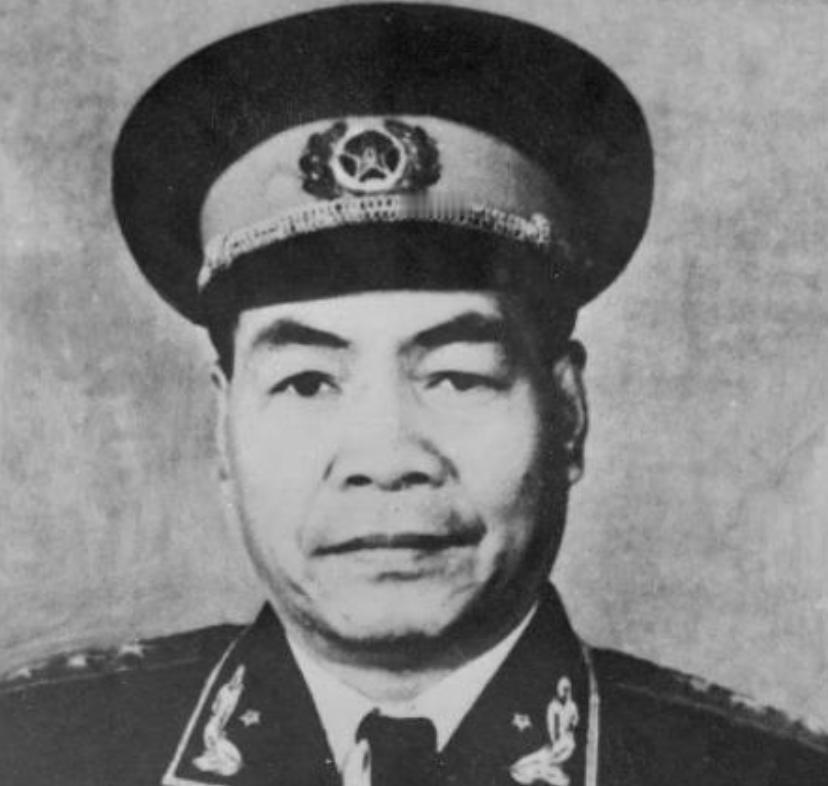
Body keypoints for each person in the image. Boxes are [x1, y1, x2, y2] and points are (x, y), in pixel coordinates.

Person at [1, 4, 826, 785]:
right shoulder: (39, 750)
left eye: (457, 376)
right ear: (224, 432)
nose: (386, 458)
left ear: (568, 414)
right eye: (307, 382)